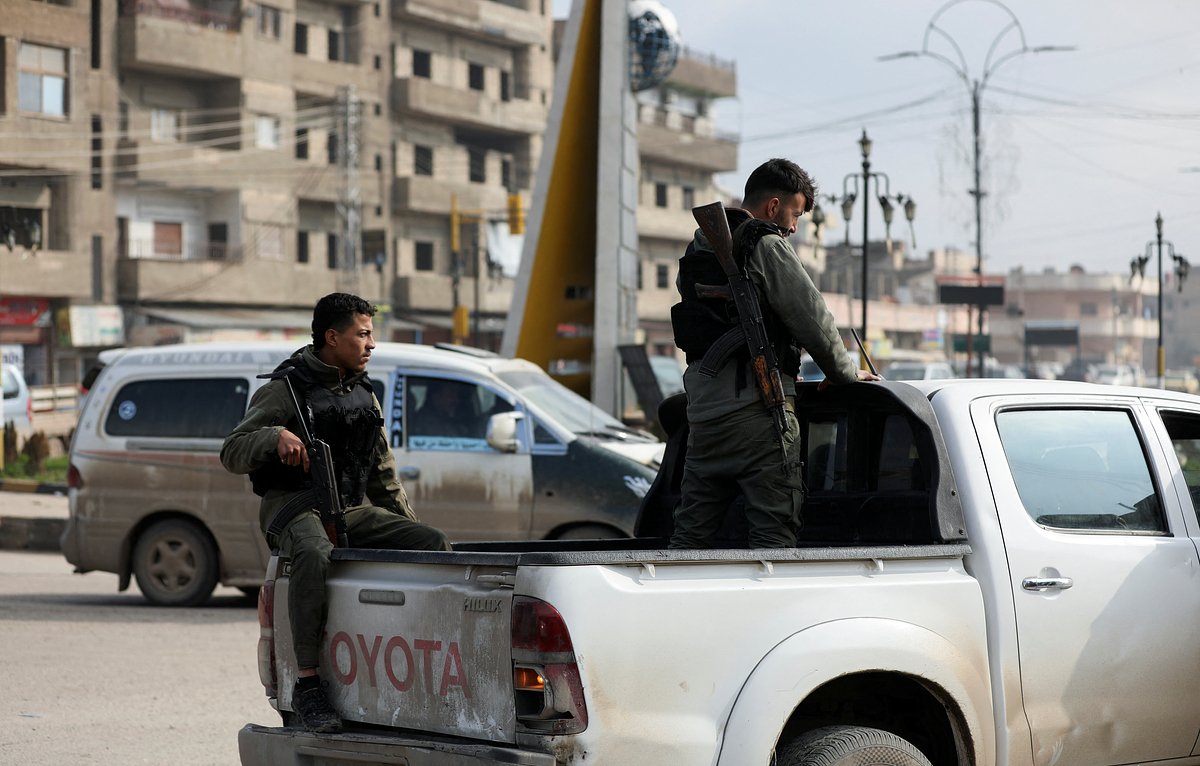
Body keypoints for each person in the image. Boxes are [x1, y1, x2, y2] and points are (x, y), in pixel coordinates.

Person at [221, 293, 450, 733]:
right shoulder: (284, 390)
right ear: (332, 337)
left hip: (345, 509)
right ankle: (308, 685)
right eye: (362, 334)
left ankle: (427, 672)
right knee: (313, 551)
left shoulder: (364, 393)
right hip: (293, 506)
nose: (371, 344)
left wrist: (409, 527)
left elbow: (382, 475)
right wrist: (274, 436)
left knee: (432, 544)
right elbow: (232, 451)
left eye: (371, 334)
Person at [669, 158, 879, 549]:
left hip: (703, 417)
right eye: (795, 214)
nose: (794, 226)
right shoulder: (764, 243)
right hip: (759, 415)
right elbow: (813, 319)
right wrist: (846, 374)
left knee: (689, 538)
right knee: (774, 534)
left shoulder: (698, 250)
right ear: (772, 207)